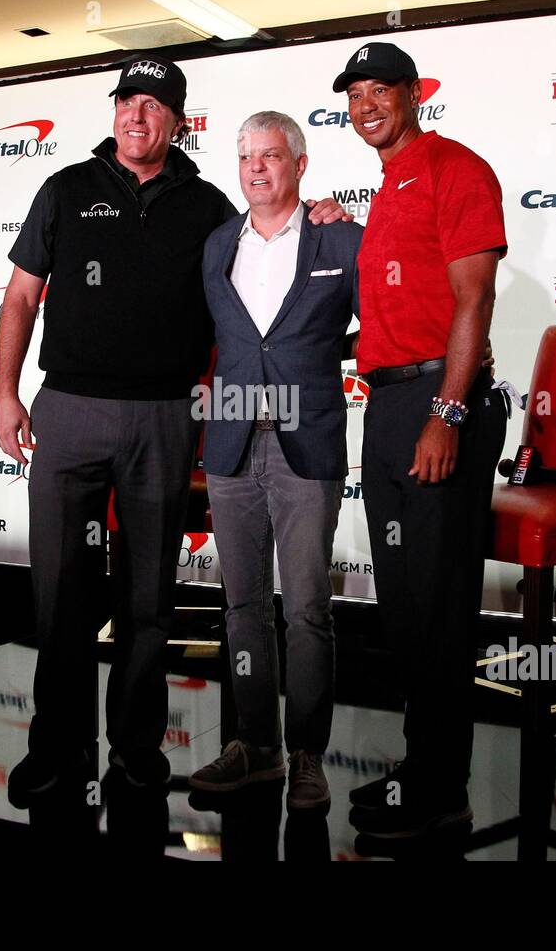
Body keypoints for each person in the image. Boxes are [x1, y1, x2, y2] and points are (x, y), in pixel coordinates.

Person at [0, 55, 348, 798]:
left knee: (148, 601)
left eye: (153, 105)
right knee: (60, 595)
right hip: (68, 410)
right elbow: (22, 298)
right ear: (114, 111)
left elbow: (271, 240)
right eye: (126, 101)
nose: (136, 115)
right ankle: (54, 746)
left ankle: (135, 748)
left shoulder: (211, 207)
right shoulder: (64, 189)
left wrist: (325, 215)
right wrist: (4, 394)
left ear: (178, 121)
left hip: (164, 417)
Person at [332, 42, 510, 837]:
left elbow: (475, 299)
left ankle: (444, 792)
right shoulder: (390, 186)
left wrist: (450, 413)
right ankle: (423, 767)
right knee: (405, 608)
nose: (366, 103)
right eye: (355, 92)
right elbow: (403, 301)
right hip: (392, 405)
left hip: (442, 405)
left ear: (413, 95)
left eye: (381, 90)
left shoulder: (455, 168)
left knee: (439, 605)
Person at [187, 112, 362, 811]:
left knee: (309, 609)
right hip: (229, 444)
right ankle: (255, 746)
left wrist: (319, 356)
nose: (257, 169)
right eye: (246, 158)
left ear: (299, 162)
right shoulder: (216, 244)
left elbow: (378, 328)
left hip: (306, 443)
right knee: (242, 607)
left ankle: (307, 755)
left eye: (270, 156)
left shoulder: (342, 238)